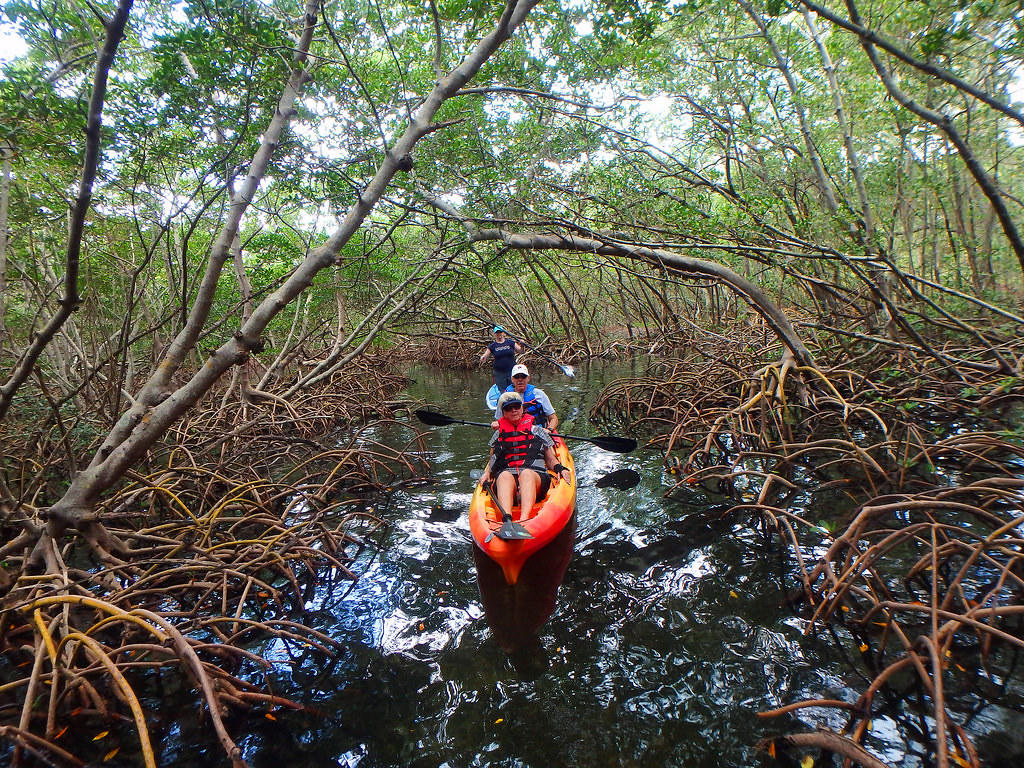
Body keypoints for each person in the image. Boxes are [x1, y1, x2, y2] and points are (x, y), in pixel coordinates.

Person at [479, 391, 570, 521]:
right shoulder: (498, 434)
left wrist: (560, 468)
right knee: (504, 475)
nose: (514, 410)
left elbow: (550, 459)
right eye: (509, 408)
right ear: (503, 412)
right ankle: (507, 520)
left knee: (526, 474)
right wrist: (487, 473)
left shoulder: (538, 431)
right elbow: (492, 460)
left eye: (517, 406)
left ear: (522, 408)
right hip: (508, 475)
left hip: (535, 476)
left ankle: (524, 519)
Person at [492, 363, 558, 431]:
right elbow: (499, 420)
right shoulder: (504, 397)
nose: (520, 380)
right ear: (512, 379)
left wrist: (549, 429)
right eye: (516, 377)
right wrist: (496, 424)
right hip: (515, 433)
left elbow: (553, 418)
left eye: (523, 376)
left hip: (538, 431)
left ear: (528, 378)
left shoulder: (539, 394)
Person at [480, 326, 524, 390]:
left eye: (500, 332)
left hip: (512, 371)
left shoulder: (510, 342)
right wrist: (483, 357)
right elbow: (485, 355)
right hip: (499, 373)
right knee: (503, 391)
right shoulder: (492, 346)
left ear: (503, 333)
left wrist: (522, 345)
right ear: (494, 334)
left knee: (514, 389)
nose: (499, 334)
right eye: (497, 333)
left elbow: (521, 351)